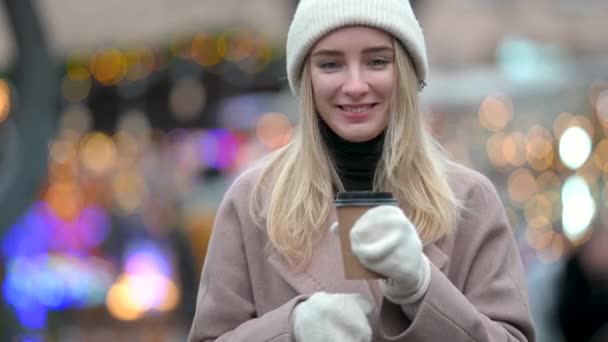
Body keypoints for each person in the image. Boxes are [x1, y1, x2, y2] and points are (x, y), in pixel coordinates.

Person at [188, 0, 536, 341]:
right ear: (305, 77)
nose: (354, 85)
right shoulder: (254, 201)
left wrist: (424, 288)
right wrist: (291, 328)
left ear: (406, 71)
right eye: (330, 64)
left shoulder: (470, 200)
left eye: (377, 61)